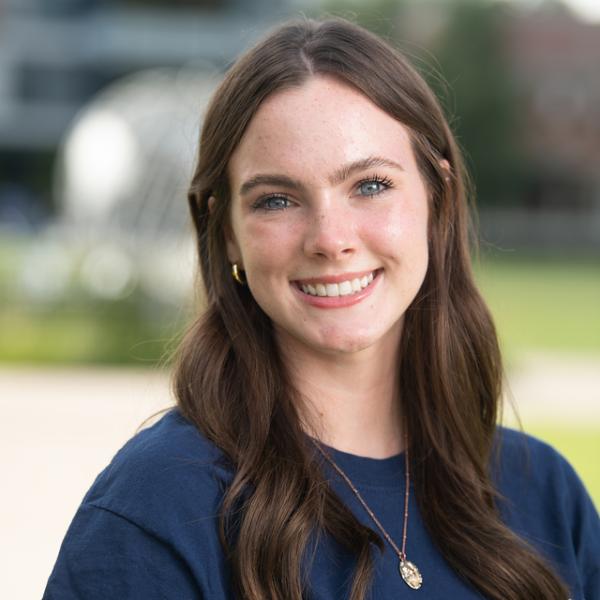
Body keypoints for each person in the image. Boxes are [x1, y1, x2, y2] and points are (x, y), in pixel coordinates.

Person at [43, 17, 599, 600]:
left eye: (370, 185)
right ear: (225, 230)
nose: (330, 239)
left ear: (437, 198)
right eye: (277, 200)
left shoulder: (545, 495)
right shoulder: (158, 506)